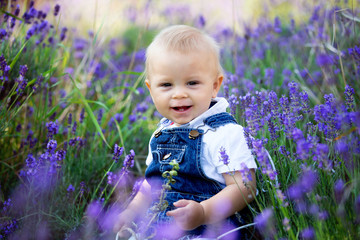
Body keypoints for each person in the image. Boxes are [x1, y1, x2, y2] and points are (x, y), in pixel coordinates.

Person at [114, 25, 257, 239]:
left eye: (192, 83)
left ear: (214, 86)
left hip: (211, 229)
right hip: (160, 228)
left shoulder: (224, 132)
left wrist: (204, 212)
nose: (179, 93)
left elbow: (245, 187)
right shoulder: (161, 133)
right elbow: (152, 184)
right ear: (150, 89)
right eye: (166, 85)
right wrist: (131, 211)